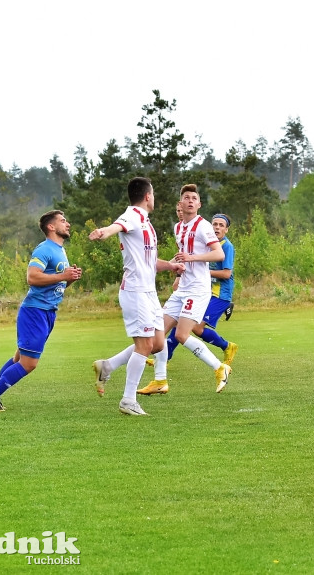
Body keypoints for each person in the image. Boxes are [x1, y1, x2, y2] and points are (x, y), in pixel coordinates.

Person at [89, 176, 183, 416]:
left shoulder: (146, 223)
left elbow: (149, 262)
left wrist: (170, 265)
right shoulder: (132, 215)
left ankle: (107, 366)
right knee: (144, 345)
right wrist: (103, 232)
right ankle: (128, 400)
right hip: (135, 292)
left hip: (149, 292)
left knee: (159, 344)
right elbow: (116, 226)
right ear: (148, 196)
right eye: (154, 194)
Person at [0, 211, 83, 412]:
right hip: (35, 311)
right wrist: (62, 274)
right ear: (51, 227)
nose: (67, 224)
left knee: (18, 359)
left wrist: (68, 278)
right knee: (29, 364)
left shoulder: (60, 250)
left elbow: (54, 284)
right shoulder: (44, 249)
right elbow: (32, 278)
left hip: (47, 312)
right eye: (63, 221)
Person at [137, 184, 232, 396]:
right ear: (180, 204)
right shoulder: (179, 227)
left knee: (181, 335)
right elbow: (182, 255)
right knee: (157, 332)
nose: (190, 201)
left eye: (194, 198)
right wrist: (174, 268)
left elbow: (219, 255)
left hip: (198, 289)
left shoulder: (204, 226)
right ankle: (160, 381)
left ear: (199, 204)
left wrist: (192, 258)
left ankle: (220, 368)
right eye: (186, 198)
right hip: (183, 289)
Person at [147, 212, 238, 372]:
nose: (217, 227)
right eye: (214, 224)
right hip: (203, 291)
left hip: (219, 294)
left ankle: (227, 346)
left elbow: (226, 274)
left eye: (221, 225)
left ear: (226, 230)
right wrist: (178, 275)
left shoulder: (226, 246)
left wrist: (203, 272)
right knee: (183, 320)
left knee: (194, 328)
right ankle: (164, 358)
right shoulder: (205, 242)